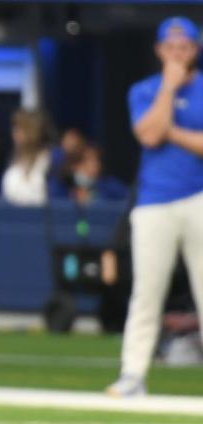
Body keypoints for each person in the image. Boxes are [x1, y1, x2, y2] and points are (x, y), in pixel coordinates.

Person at [108, 16, 203, 397]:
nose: (178, 54)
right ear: (160, 51)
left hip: (198, 197)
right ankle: (133, 374)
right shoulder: (144, 90)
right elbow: (148, 135)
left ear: (194, 50)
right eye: (171, 48)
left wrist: (170, 131)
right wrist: (169, 87)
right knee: (147, 292)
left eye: (185, 47)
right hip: (153, 202)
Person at [1, 108, 53, 207]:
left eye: (20, 129)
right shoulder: (13, 161)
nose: (15, 134)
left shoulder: (49, 160)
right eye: (14, 129)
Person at [65, 144, 130, 205]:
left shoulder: (111, 185)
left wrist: (94, 198)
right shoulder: (65, 185)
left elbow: (130, 199)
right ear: (77, 165)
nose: (96, 164)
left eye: (98, 160)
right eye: (90, 160)